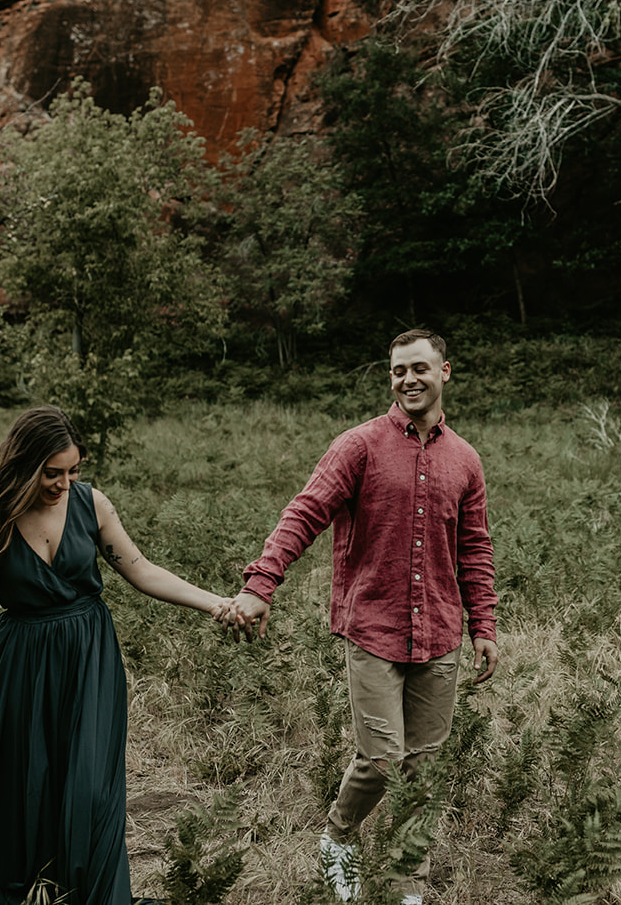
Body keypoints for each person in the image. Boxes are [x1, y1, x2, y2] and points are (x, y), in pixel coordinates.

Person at [0, 406, 235, 905]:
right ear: (22, 464)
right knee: (32, 783)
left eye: (73, 470)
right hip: (20, 667)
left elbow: (142, 570)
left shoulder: (92, 505)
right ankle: (42, 889)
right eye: (52, 472)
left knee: (90, 789)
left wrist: (215, 603)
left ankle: (94, 894)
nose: (64, 483)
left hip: (89, 660)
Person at [226, 329, 499, 905]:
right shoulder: (359, 446)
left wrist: (484, 625)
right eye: (399, 370)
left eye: (420, 368)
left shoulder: (465, 460)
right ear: (390, 376)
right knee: (381, 759)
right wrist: (261, 583)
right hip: (372, 627)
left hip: (443, 633)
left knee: (423, 771)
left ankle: (408, 888)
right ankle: (339, 837)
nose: (409, 379)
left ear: (445, 372)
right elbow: (304, 514)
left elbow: (474, 547)